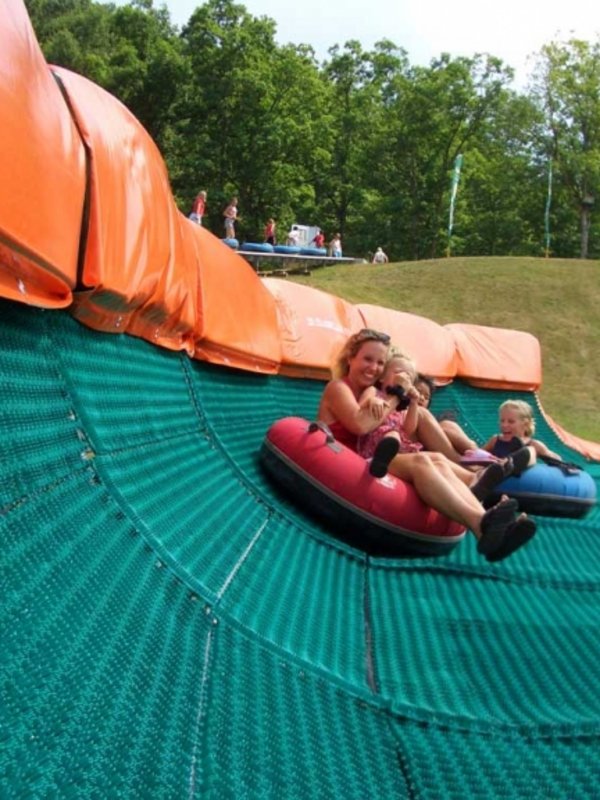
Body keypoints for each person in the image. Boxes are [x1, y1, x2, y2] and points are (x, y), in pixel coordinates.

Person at [317, 329, 537, 562]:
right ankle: (481, 523)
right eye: (367, 359)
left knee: (437, 462)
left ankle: (488, 521)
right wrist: (396, 395)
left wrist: (404, 400)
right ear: (351, 358)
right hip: (350, 461)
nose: (374, 368)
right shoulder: (339, 388)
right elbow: (360, 425)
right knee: (422, 461)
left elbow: (399, 424)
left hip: (375, 459)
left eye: (381, 362)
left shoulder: (372, 392)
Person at [481, 399, 561, 473]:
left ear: (525, 424)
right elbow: (478, 455)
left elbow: (556, 460)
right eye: (502, 421)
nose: (504, 425)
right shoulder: (495, 440)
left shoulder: (533, 445)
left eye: (511, 422)